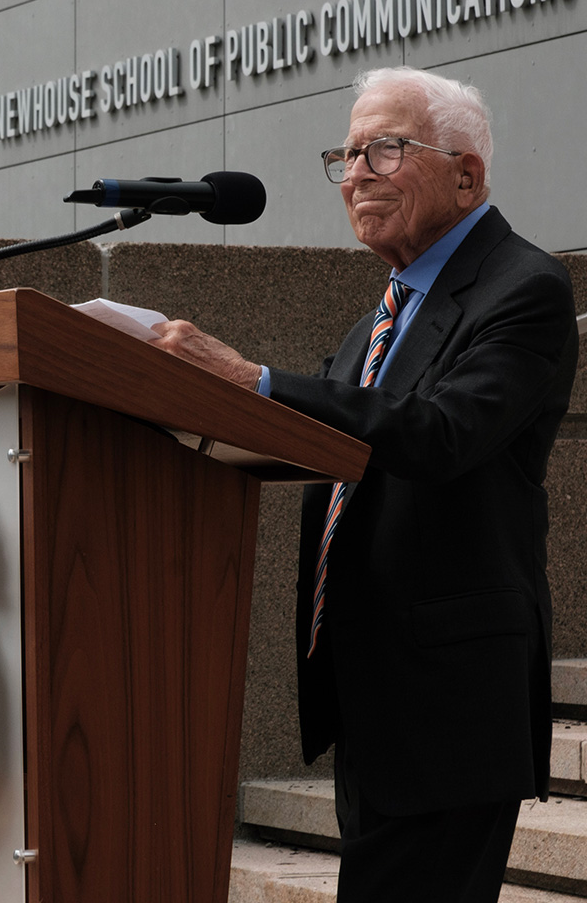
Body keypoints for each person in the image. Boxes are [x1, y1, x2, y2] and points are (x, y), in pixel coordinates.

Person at [150, 66, 579, 903]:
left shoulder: (526, 289)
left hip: (450, 704)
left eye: (383, 149)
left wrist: (255, 379)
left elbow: (442, 434)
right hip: (369, 693)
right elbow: (318, 439)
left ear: (467, 173)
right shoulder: (376, 319)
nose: (354, 176)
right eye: (345, 156)